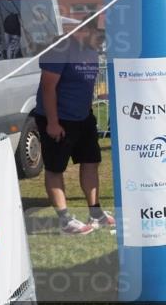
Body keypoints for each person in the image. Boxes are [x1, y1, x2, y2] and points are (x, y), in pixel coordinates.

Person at [33, 24, 115, 235]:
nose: (102, 40)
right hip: (57, 118)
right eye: (99, 34)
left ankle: (95, 213)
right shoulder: (60, 47)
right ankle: (65, 220)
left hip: (83, 117)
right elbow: (47, 86)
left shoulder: (91, 48)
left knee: (91, 161)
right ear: (84, 30)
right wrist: (52, 122)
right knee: (55, 168)